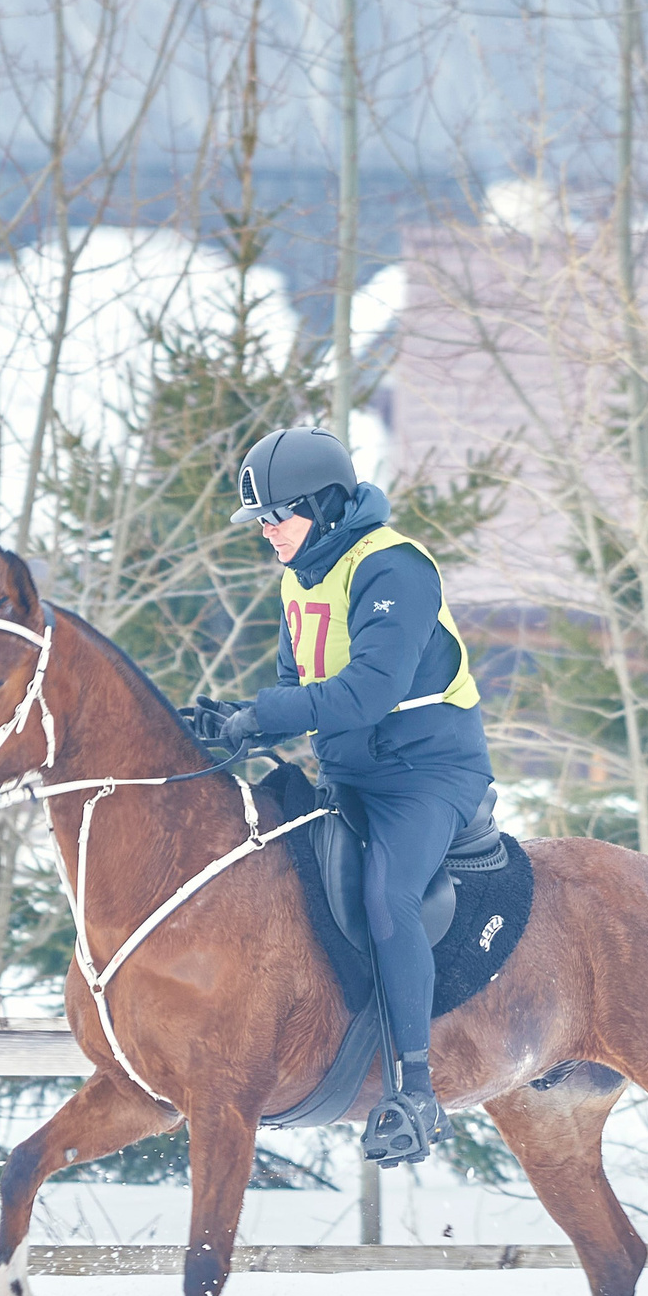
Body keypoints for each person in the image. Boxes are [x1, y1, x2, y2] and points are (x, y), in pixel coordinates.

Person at [211, 426, 493, 1166]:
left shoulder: (394, 568)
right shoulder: (299, 575)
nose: (268, 532)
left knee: (386, 894)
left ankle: (417, 1091)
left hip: (425, 775)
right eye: (262, 521)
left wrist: (263, 714)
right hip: (350, 774)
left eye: (278, 516)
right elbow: (298, 687)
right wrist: (233, 724)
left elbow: (368, 690)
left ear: (327, 506)